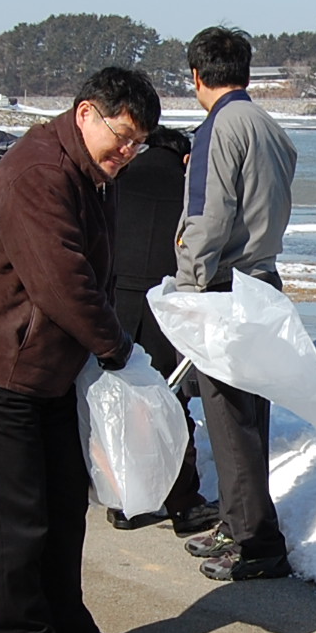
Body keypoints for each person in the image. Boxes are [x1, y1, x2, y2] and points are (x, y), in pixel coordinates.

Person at [0, 67, 159, 633]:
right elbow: (61, 279)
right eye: (123, 135)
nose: (128, 152)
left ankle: (69, 626)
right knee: (20, 513)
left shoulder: (91, 171)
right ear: (86, 112)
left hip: (45, 364)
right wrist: (116, 346)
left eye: (138, 143)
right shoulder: (40, 172)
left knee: (64, 502)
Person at [171, 26, 299, 582]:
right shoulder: (268, 127)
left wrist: (186, 287)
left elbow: (209, 216)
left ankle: (255, 542)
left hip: (226, 286)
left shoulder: (216, 128)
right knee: (247, 418)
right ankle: (236, 521)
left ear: (196, 75)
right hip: (264, 280)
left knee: (228, 420)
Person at [104, 114, 214, 535]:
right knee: (168, 404)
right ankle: (182, 501)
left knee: (121, 403)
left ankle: (124, 500)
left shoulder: (122, 178)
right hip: (162, 303)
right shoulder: (188, 189)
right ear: (184, 157)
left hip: (116, 300)